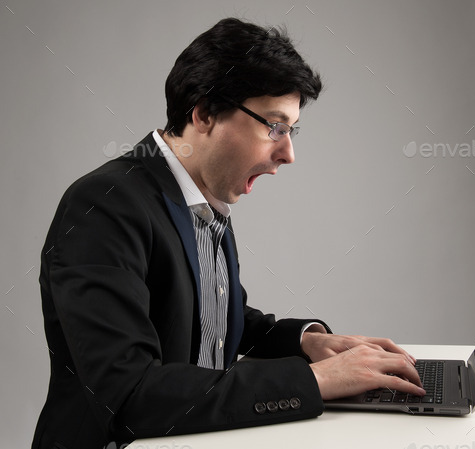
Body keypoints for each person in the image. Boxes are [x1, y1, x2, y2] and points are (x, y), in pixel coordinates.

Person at [32, 17, 425, 449]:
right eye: (274, 127)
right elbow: (130, 397)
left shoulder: (203, 195)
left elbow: (209, 321)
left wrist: (306, 341)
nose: (288, 153)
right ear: (204, 113)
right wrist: (313, 379)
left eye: (291, 131)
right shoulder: (103, 205)